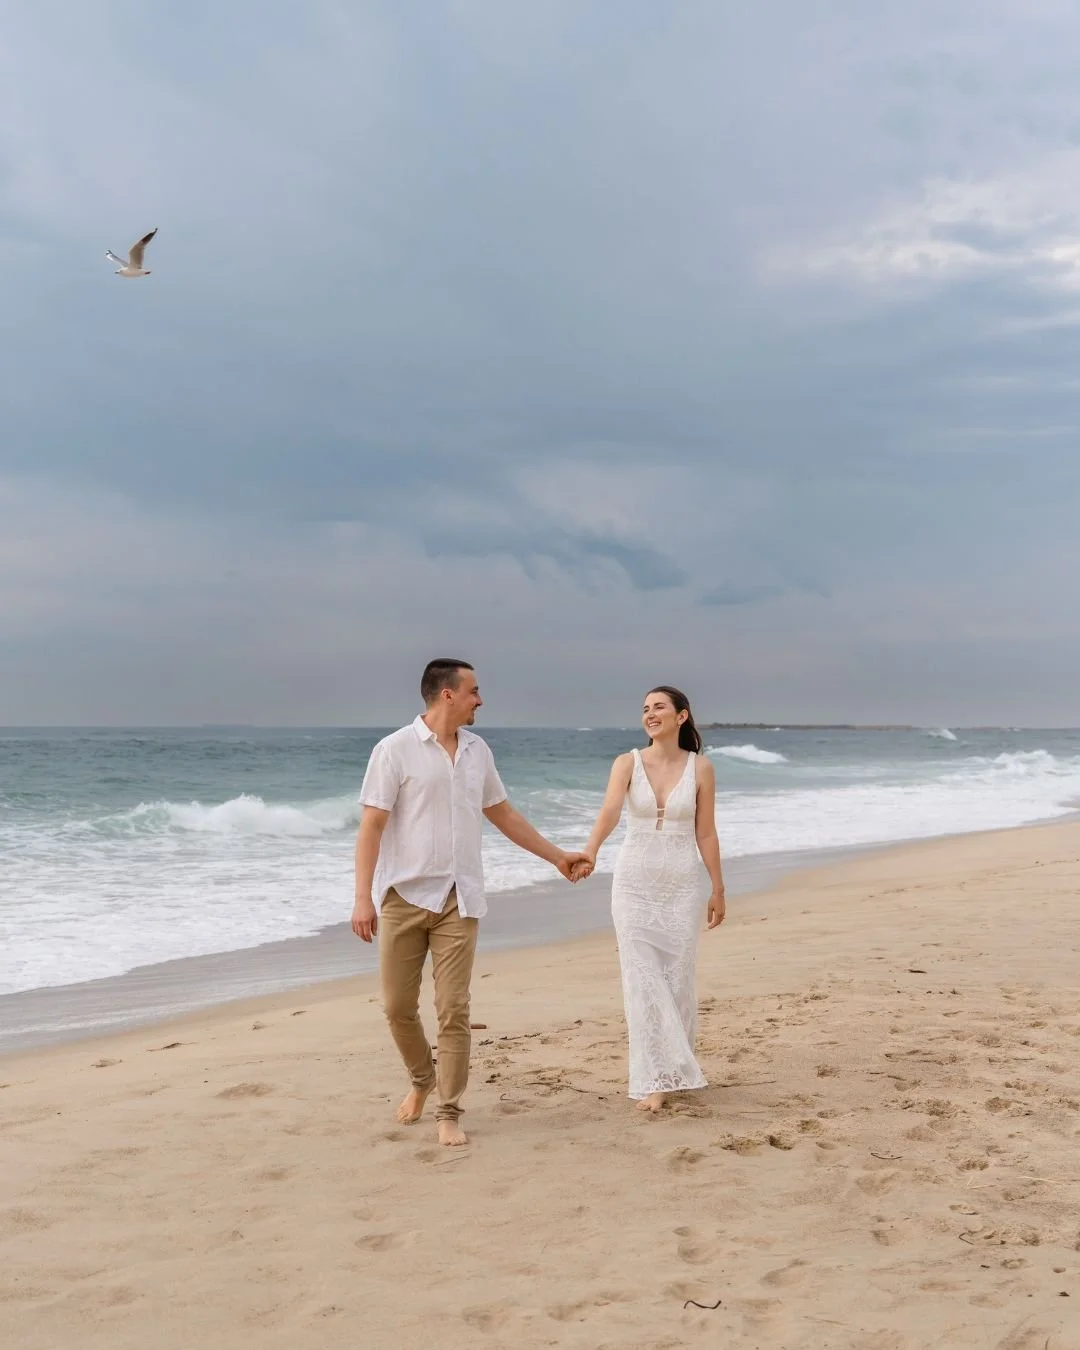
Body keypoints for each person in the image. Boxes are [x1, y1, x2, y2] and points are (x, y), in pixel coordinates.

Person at [351, 659, 589, 1147]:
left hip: (461, 899)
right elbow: (372, 826)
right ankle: (422, 1079)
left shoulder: (479, 751)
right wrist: (362, 898)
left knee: (453, 1009)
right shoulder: (393, 750)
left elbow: (502, 813)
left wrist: (556, 857)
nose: (481, 699)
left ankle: (448, 1110)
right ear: (447, 695)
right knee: (398, 1007)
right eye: (474, 691)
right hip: (404, 895)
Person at [573, 686, 726, 1113]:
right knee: (642, 980)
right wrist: (591, 850)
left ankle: (676, 1068)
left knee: (677, 980)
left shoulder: (702, 768)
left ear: (682, 716)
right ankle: (655, 1079)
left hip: (681, 885)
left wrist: (718, 888)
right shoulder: (626, 763)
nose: (650, 714)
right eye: (645, 709)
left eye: (659, 707)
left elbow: (706, 833)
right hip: (634, 884)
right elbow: (608, 812)